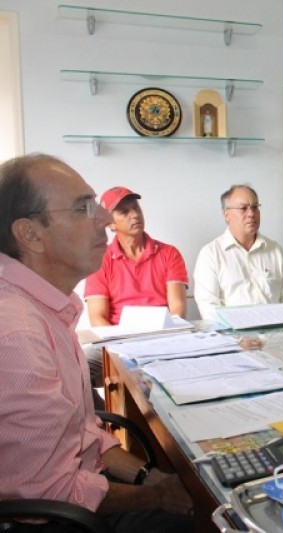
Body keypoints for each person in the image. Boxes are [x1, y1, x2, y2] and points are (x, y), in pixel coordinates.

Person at [0, 154, 192, 531]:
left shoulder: (49, 306)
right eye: (83, 207)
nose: (105, 219)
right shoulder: (18, 335)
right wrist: (158, 495)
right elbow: (51, 494)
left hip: (75, 492)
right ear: (30, 234)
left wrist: (148, 476)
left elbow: (80, 433)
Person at [84, 186, 188, 326]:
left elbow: (178, 308)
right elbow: (98, 317)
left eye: (136, 207)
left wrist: (166, 335)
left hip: (164, 332)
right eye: (124, 212)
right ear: (110, 223)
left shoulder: (169, 253)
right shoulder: (99, 260)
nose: (134, 214)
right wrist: (119, 340)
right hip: (118, 335)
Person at [194, 184, 283, 321]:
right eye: (243, 208)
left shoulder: (275, 251)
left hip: (275, 329)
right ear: (226, 215)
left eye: (255, 207)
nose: (251, 214)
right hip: (232, 332)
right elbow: (208, 307)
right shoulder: (211, 254)